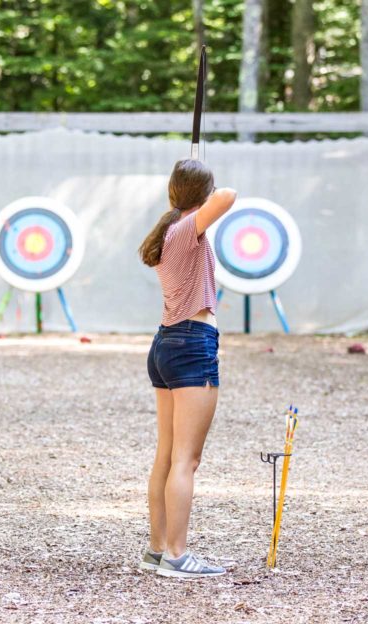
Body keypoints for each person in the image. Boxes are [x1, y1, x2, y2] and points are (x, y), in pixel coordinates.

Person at [137, 158, 236, 579]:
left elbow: (210, 203)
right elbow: (229, 197)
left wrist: (192, 193)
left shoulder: (175, 232)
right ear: (200, 195)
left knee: (167, 455)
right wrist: (202, 196)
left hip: (167, 344)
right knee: (186, 460)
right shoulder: (182, 231)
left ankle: (158, 550)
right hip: (192, 345)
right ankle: (178, 556)